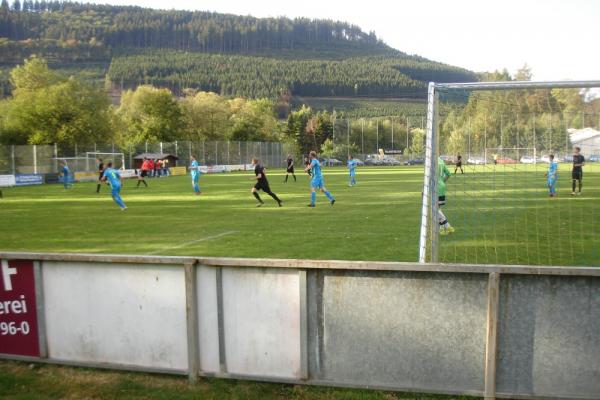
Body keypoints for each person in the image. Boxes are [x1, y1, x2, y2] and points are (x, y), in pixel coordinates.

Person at [438, 157, 454, 235]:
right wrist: (442, 181)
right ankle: (441, 229)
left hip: (435, 188)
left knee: (434, 210)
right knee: (437, 209)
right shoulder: (441, 161)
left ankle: (448, 226)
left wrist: (423, 189)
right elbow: (448, 174)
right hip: (442, 187)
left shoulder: (431, 162)